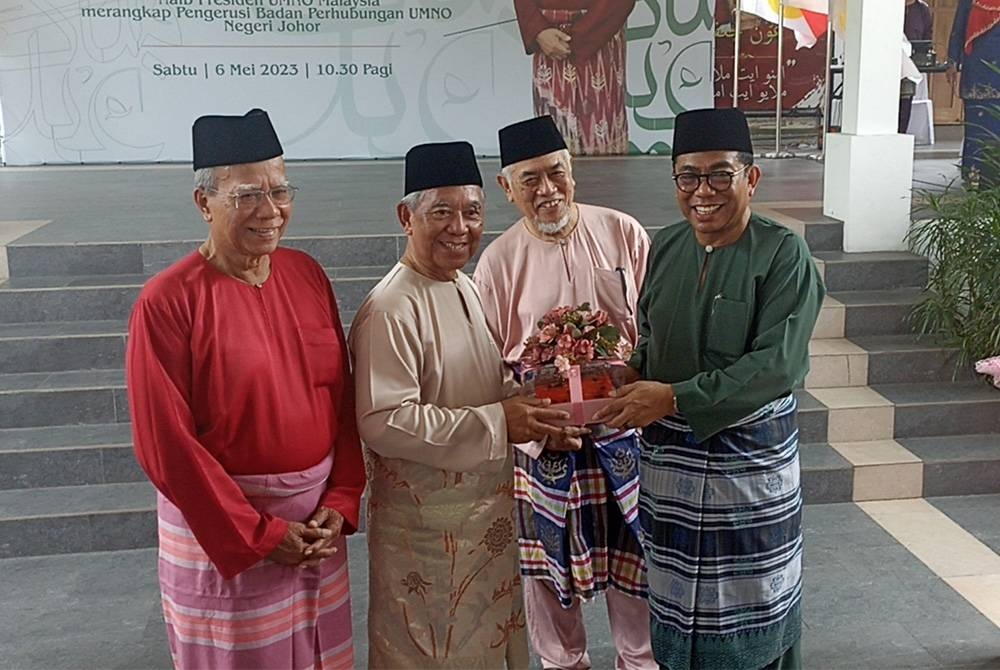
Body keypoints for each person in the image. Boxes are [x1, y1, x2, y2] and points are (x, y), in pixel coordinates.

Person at [126, 109, 364, 670]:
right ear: (203, 203)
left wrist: (340, 500)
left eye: (281, 191)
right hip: (229, 535)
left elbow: (342, 403)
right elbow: (167, 447)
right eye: (249, 195)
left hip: (315, 532)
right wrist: (257, 533)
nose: (271, 210)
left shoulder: (307, 274)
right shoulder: (167, 302)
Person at [594, 108, 825, 670]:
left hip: (747, 476)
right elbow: (651, 338)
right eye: (688, 176)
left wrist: (672, 398)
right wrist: (628, 375)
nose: (704, 191)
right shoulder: (666, 247)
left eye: (720, 174)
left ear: (751, 177)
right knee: (676, 602)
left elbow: (777, 366)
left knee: (753, 608)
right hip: (672, 470)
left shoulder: (783, 254)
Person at [350, 140, 582, 669]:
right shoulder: (392, 307)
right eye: (442, 212)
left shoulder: (466, 285)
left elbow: (482, 384)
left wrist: (536, 417)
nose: (461, 227)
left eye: (473, 212)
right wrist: (502, 421)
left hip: (487, 529)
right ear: (406, 217)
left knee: (489, 645)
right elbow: (383, 421)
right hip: (429, 540)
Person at [474, 115, 656, 670]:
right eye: (530, 180)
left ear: (573, 170)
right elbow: (489, 368)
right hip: (546, 450)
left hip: (626, 440)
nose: (547, 190)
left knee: (640, 575)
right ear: (507, 188)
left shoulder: (622, 232)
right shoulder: (497, 263)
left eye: (556, 173)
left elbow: (651, 331)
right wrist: (533, 433)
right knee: (552, 586)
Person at [513, 0, 636, 155]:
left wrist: (577, 38)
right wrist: (538, 29)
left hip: (600, 35)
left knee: (602, 148)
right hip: (548, 39)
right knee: (552, 147)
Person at [948, 0, 1000, 187]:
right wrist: (952, 61)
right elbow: (959, 29)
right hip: (977, 74)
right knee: (977, 127)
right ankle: (974, 173)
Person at [900, 0, 933, 134]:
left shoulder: (922, 9)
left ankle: (901, 134)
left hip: (911, 65)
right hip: (887, 63)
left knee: (905, 101)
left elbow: (927, 37)